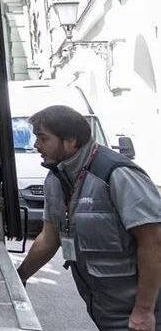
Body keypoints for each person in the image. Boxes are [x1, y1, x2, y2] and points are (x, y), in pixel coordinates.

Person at [16, 105, 161, 331]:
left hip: (141, 313)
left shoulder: (117, 174)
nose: (36, 146)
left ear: (71, 140)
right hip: (104, 309)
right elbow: (49, 238)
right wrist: (19, 277)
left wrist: (144, 310)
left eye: (43, 138)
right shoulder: (56, 178)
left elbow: (153, 242)